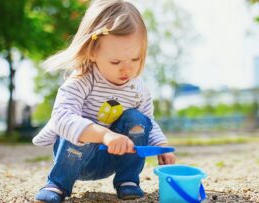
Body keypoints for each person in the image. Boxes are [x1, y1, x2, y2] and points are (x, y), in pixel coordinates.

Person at [33, 0, 176, 202]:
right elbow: (62, 118)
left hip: (113, 158)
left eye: (135, 59)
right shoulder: (82, 79)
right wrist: (105, 135)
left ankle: (128, 180)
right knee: (77, 124)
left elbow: (149, 122)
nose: (127, 70)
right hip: (75, 157)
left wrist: (161, 145)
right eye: (116, 62)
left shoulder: (137, 87)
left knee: (138, 118)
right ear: (92, 51)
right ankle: (57, 183)